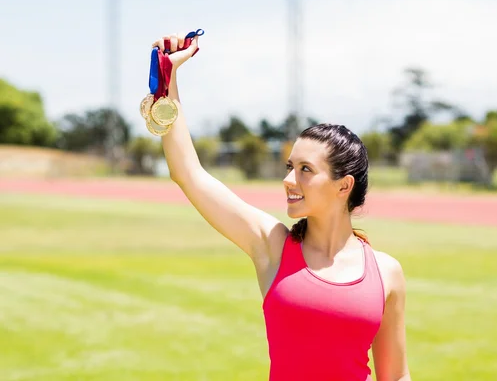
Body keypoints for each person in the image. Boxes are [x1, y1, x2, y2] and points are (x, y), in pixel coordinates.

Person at [152, 32, 411, 381]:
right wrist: (168, 81)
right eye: (290, 167)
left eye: (306, 170)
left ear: (343, 186)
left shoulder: (386, 272)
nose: (289, 180)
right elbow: (188, 173)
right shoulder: (273, 246)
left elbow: (395, 376)